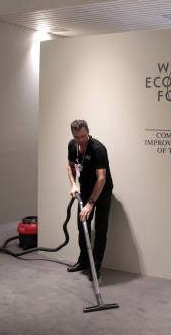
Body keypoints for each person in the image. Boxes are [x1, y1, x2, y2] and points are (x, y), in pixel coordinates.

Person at [66, 119, 114, 280]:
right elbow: (70, 166)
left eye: (83, 136)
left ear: (88, 132)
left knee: (100, 229)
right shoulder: (72, 146)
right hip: (85, 189)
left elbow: (101, 179)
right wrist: (73, 184)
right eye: (77, 137)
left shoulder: (98, 149)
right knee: (82, 226)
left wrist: (91, 204)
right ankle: (84, 261)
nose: (81, 140)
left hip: (103, 191)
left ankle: (96, 266)